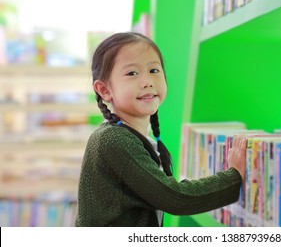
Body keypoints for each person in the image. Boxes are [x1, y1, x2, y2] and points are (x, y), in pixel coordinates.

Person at [75, 32, 247, 227]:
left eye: (154, 70)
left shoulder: (131, 137)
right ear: (105, 90)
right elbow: (175, 198)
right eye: (132, 73)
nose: (147, 81)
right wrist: (234, 176)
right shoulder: (113, 140)